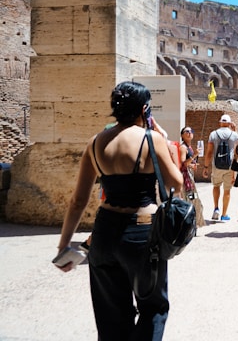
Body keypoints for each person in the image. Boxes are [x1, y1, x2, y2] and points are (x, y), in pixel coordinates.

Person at [55, 81, 183, 340]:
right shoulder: (152, 139)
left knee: (111, 318)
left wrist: (64, 247)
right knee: (153, 308)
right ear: (144, 109)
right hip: (142, 233)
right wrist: (162, 138)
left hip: (104, 234)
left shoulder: (95, 143)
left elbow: (78, 200)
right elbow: (176, 183)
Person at [202, 114, 238, 221]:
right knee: (227, 191)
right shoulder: (234, 135)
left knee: (216, 186)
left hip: (216, 166)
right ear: (229, 123)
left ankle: (216, 209)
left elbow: (209, 152)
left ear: (220, 123)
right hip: (229, 167)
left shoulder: (213, 134)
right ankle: (224, 214)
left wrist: (205, 167)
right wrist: (235, 130)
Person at [179, 126, 205, 228]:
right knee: (191, 200)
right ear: (182, 135)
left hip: (190, 178)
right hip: (186, 180)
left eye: (191, 131)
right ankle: (189, 224)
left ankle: (193, 224)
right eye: (187, 131)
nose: (190, 133)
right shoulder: (183, 148)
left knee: (194, 200)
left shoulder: (189, 147)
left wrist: (192, 165)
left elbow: (187, 163)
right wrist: (194, 156)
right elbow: (182, 163)